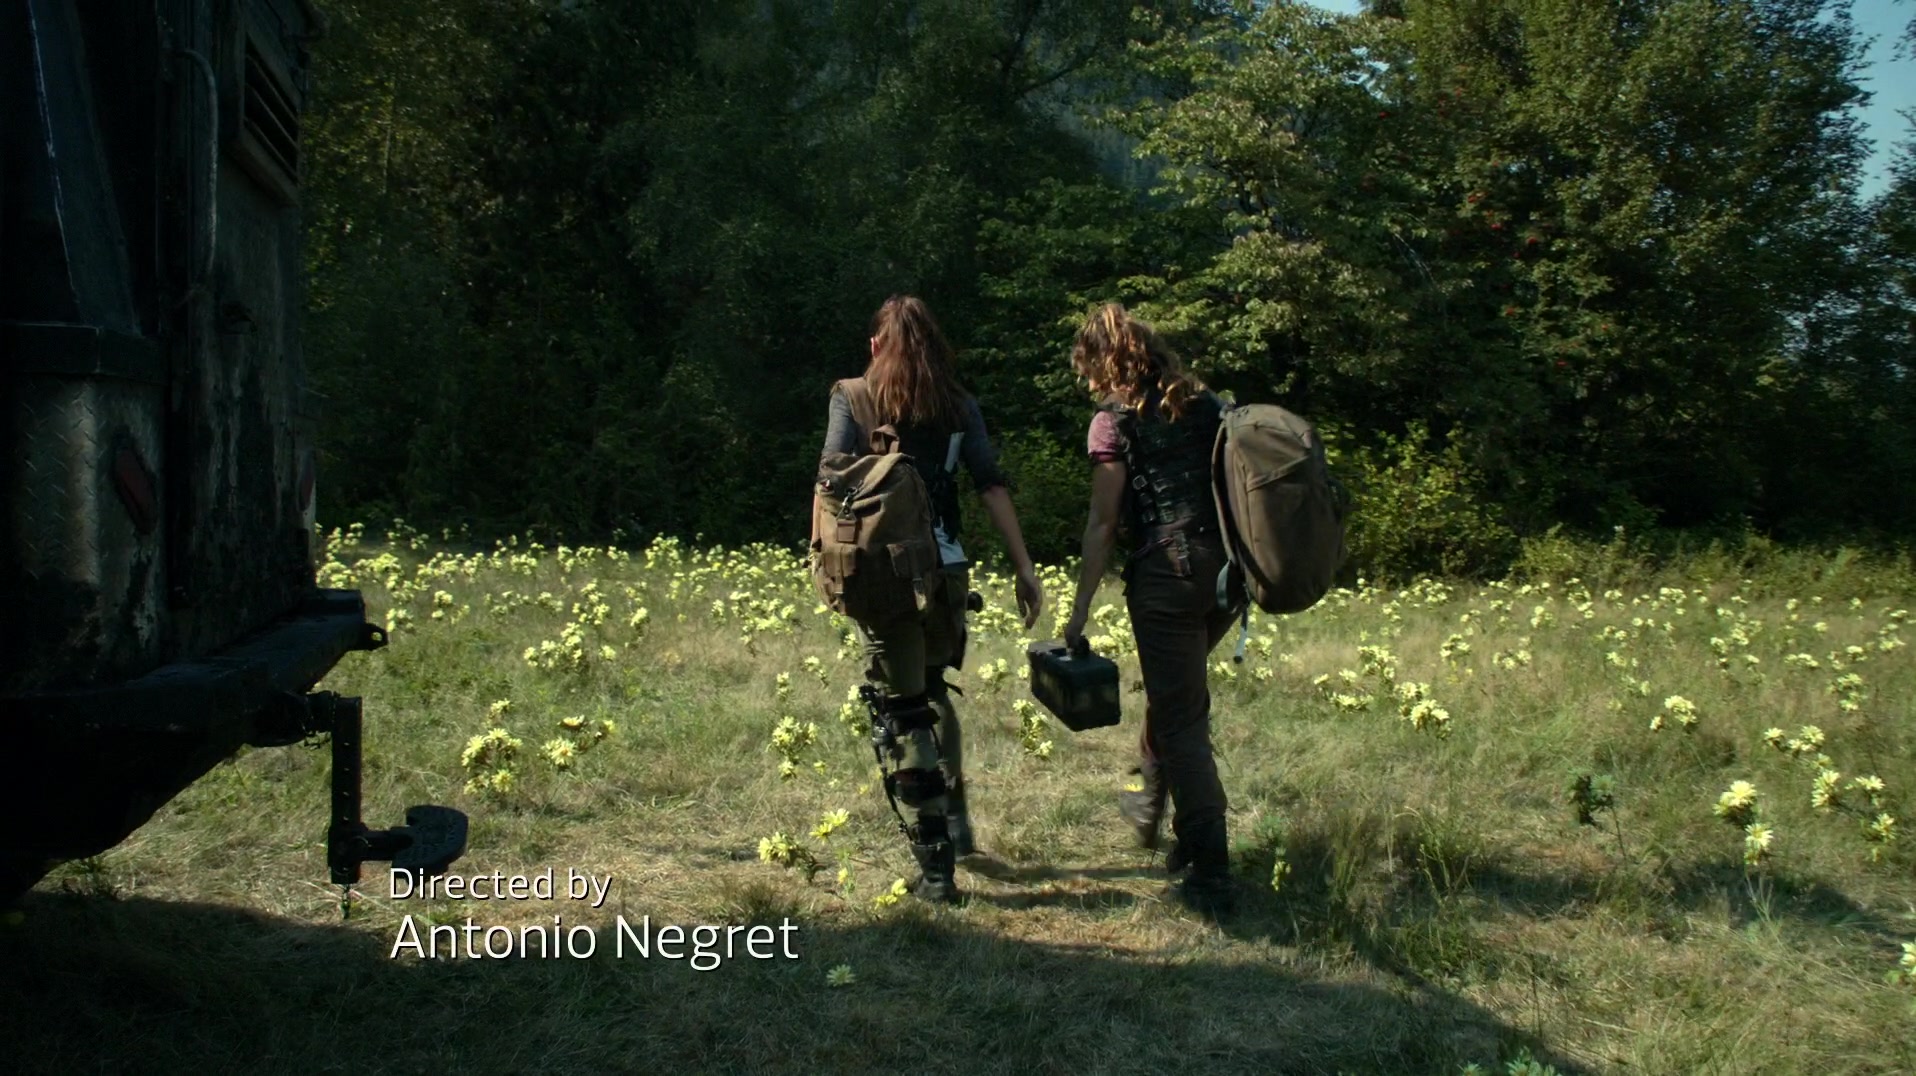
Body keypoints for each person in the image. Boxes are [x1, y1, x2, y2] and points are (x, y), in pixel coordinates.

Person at [815, 295, 1044, 903]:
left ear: (875, 346)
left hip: (888, 574)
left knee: (904, 709)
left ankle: (937, 867)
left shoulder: (852, 396)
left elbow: (830, 478)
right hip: (947, 570)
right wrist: (1025, 568)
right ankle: (959, 821)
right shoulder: (959, 404)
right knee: (935, 690)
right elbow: (990, 485)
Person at [1061, 302, 1243, 917]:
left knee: (1183, 719)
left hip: (1167, 577)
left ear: (1105, 362)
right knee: (1179, 700)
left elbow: (1103, 522)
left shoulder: (1112, 422)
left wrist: (1080, 609)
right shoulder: (1205, 405)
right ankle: (1176, 833)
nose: (1087, 381)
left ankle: (1212, 875)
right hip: (1226, 577)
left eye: (1088, 368)